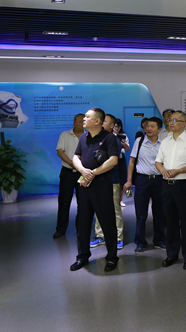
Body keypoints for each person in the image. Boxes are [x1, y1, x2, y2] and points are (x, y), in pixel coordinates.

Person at [70, 108, 120, 272]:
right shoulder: (83, 137)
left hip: (101, 185)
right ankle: (82, 256)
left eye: (87, 117)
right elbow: (76, 157)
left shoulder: (109, 137)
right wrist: (83, 171)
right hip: (84, 185)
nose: (83, 119)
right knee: (82, 222)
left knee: (107, 221)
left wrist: (92, 174)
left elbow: (113, 160)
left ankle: (112, 258)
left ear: (97, 121)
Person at [155, 111, 186, 269]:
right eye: (169, 119)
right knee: (170, 222)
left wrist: (178, 171)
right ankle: (172, 254)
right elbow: (158, 161)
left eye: (174, 120)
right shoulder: (165, 141)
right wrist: (163, 170)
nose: (170, 122)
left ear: (184, 123)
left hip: (184, 185)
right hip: (167, 185)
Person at [124, 116, 166, 255]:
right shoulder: (139, 141)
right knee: (141, 213)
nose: (149, 128)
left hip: (159, 181)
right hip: (142, 180)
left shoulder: (164, 143)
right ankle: (140, 242)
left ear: (159, 129)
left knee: (159, 212)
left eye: (152, 126)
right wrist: (129, 180)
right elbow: (132, 161)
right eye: (147, 126)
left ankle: (159, 240)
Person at [90, 113, 125, 250]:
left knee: (115, 209)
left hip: (111, 179)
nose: (100, 122)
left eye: (104, 121)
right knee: (98, 209)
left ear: (111, 126)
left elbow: (111, 161)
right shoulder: (95, 138)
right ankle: (100, 235)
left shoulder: (113, 140)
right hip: (97, 179)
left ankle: (118, 237)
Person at [53, 113, 84, 239]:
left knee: (83, 202)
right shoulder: (65, 135)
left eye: (80, 121)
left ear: (84, 123)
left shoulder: (88, 136)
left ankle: (81, 228)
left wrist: (79, 166)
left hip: (82, 174)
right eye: (75, 120)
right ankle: (60, 229)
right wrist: (72, 163)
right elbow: (60, 151)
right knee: (64, 202)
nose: (77, 123)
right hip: (67, 173)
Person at [113, 118, 130, 207]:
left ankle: (121, 200)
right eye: (115, 126)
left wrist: (125, 145)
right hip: (112, 159)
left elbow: (128, 150)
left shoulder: (124, 136)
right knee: (112, 179)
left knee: (122, 179)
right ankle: (113, 200)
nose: (116, 128)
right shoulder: (109, 136)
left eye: (118, 127)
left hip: (121, 159)